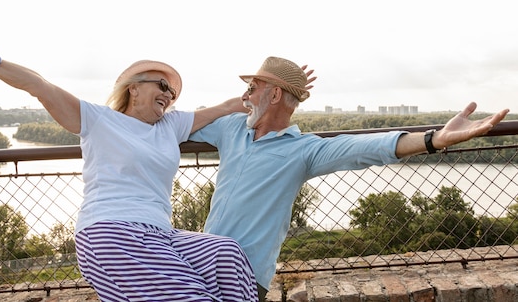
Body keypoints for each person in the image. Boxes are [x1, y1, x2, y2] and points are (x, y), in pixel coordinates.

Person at [0, 25, 259, 302]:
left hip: (160, 233)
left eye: (172, 92)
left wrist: (272, 91)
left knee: (226, 254)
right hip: (111, 232)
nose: (169, 94)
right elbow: (39, 85)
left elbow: (228, 106)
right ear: (133, 88)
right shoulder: (98, 119)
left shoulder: (170, 125)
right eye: (162, 86)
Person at [188, 56, 510, 302]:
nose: (245, 96)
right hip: (200, 259)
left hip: (243, 273)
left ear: (273, 97)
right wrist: (231, 104)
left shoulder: (303, 151)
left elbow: (367, 148)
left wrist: (433, 139)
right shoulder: (231, 129)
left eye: (252, 89)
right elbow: (174, 125)